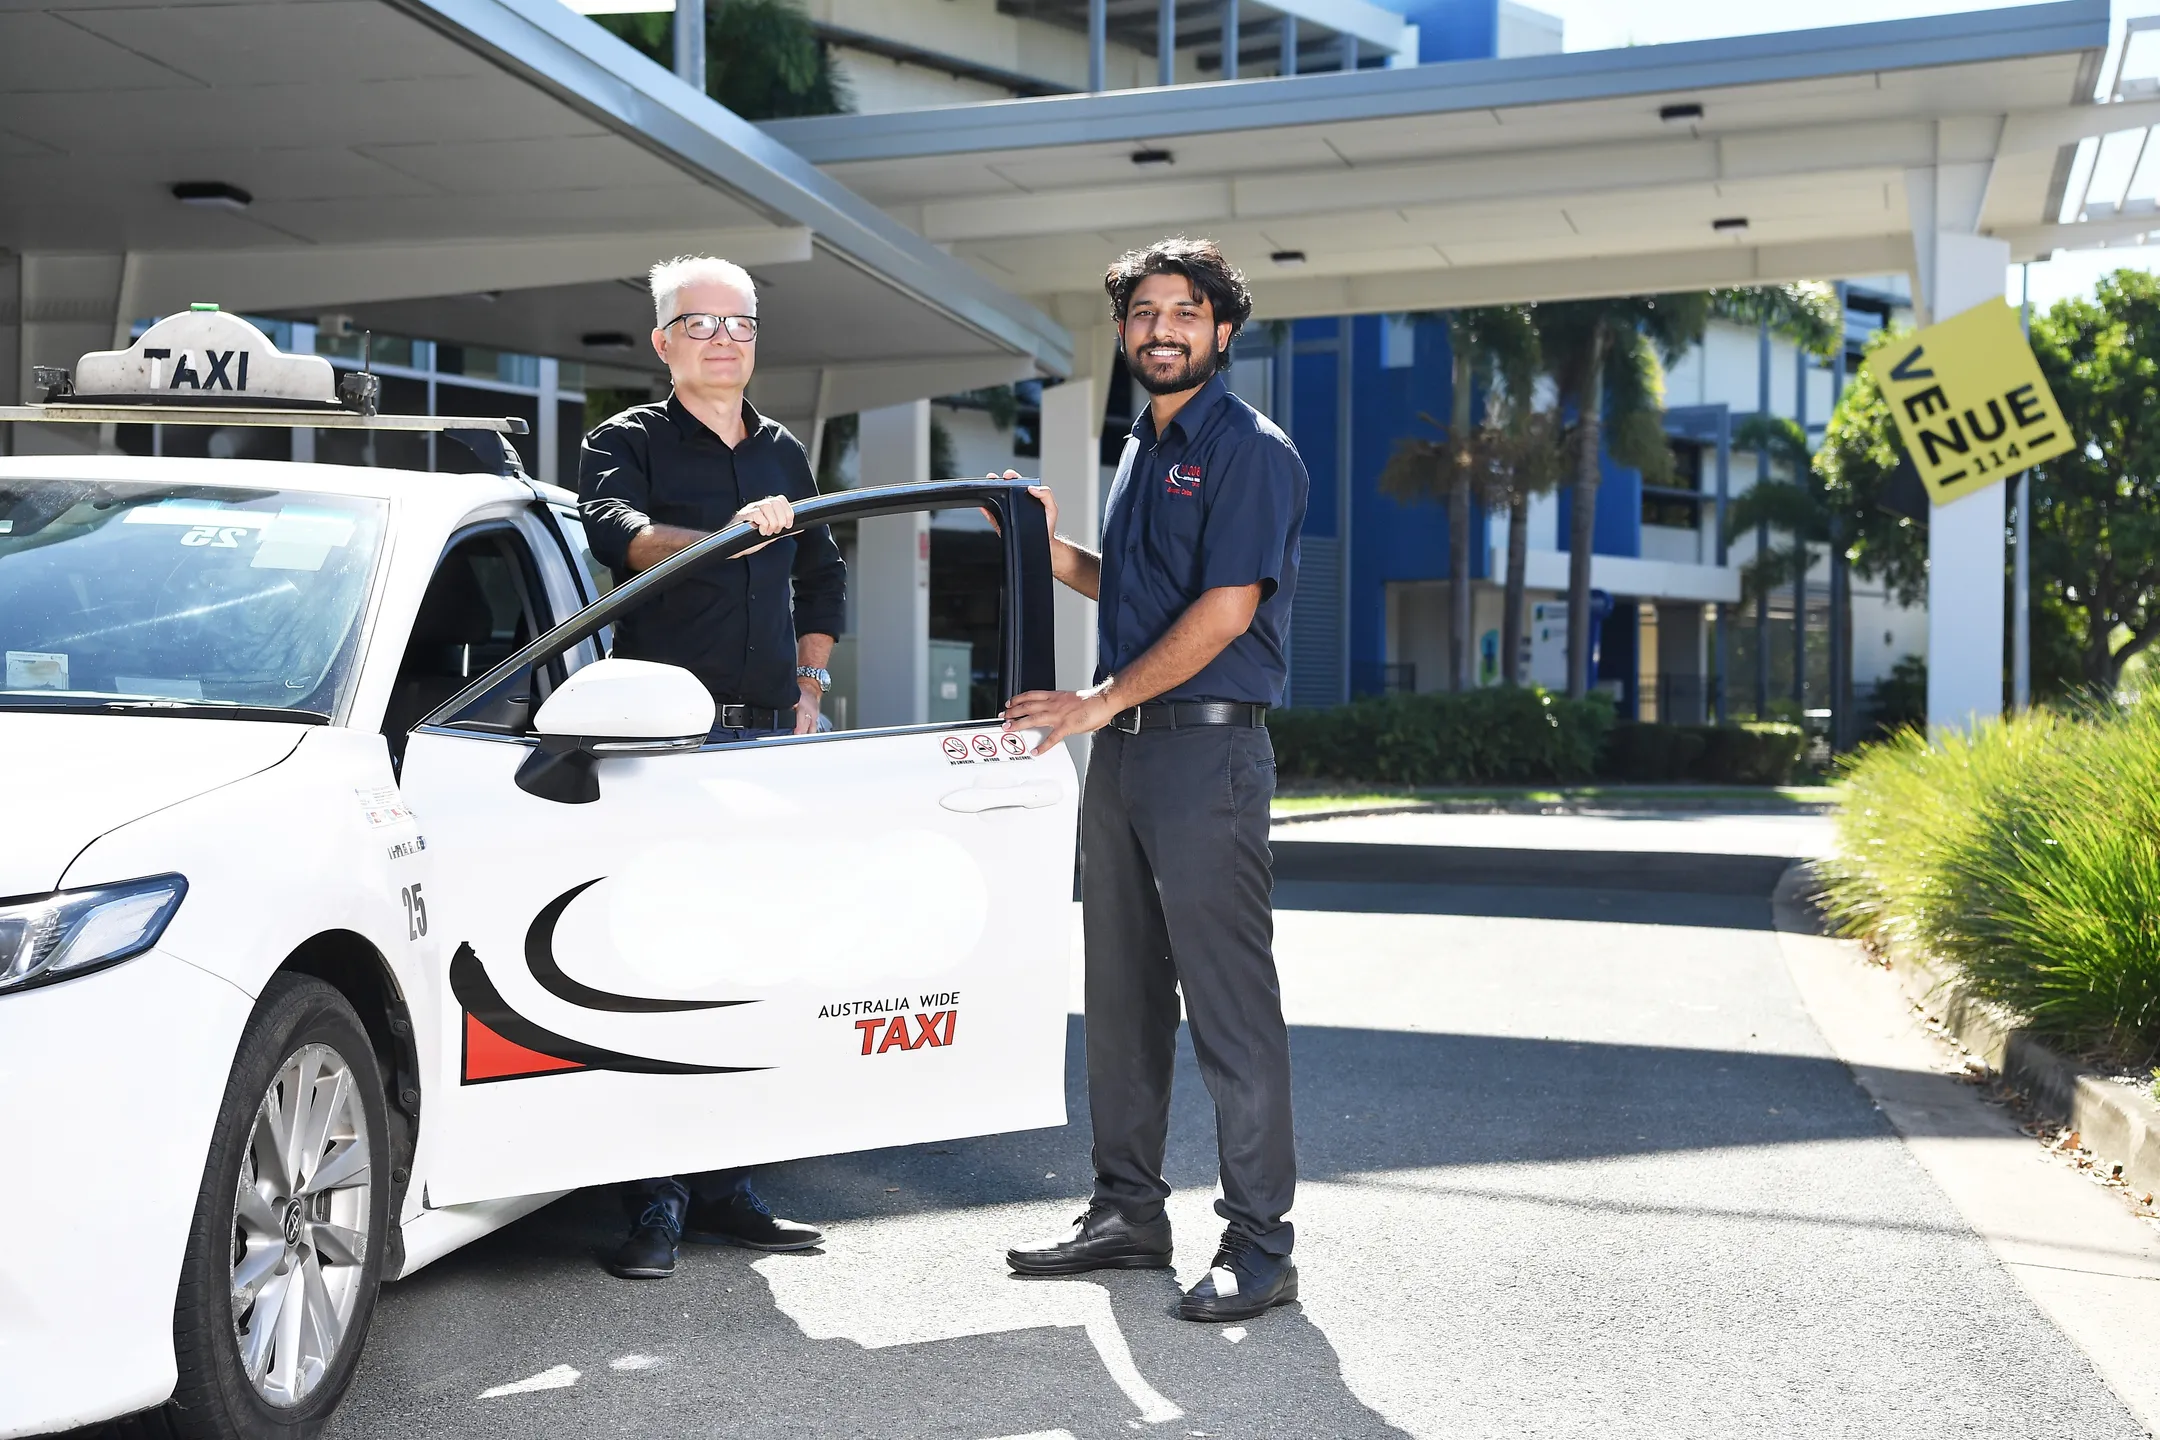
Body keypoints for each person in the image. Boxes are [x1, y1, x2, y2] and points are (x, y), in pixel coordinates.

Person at [1001, 237, 1308, 1322]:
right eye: (1142, 313)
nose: (1161, 328)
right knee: (1124, 995)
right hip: (1129, 753)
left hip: (1206, 753)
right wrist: (1047, 547)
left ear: (1222, 330)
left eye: (1184, 311)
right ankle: (1128, 1212)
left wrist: (1093, 705)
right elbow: (1133, 592)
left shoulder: (1250, 450)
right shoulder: (1142, 444)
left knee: (1229, 1009)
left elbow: (1226, 612)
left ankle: (1261, 1246)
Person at [577, 253, 842, 1278]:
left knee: (748, 958)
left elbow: (820, 575)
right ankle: (654, 1201)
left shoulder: (784, 451)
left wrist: (812, 687)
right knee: (660, 961)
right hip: (662, 738)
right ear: (663, 343)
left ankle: (729, 1185)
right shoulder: (626, 442)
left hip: (769, 738)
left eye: (742, 324)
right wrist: (726, 540)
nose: (725, 339)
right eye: (703, 324)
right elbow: (622, 538)